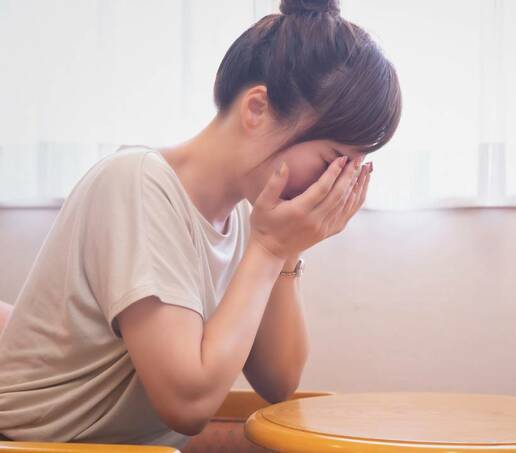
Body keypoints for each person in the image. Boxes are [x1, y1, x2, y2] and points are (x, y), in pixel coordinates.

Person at [0, 0, 402, 448]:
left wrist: (286, 250)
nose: (338, 185)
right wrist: (269, 248)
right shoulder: (137, 183)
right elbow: (187, 405)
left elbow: (278, 381)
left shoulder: (250, 217)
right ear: (257, 109)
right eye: (333, 162)